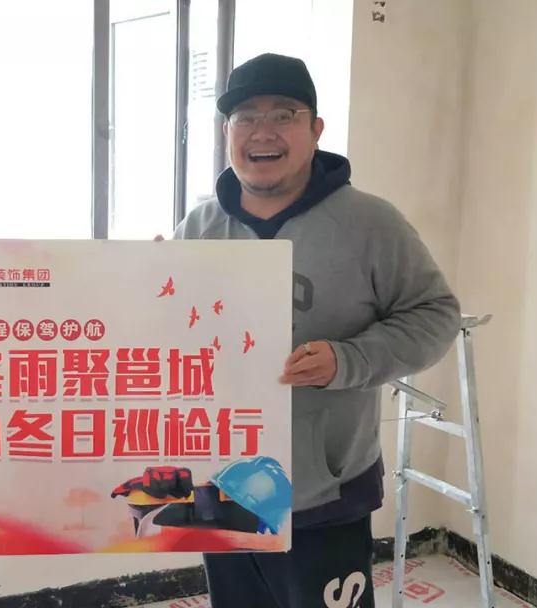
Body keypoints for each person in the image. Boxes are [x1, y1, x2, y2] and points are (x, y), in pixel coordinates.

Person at [175, 53, 461, 608]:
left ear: (315, 130)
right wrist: (143, 292)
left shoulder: (370, 223)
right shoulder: (200, 226)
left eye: (284, 115)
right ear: (227, 132)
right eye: (245, 117)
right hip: (225, 482)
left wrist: (347, 360)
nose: (263, 131)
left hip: (326, 492)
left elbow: (435, 314)